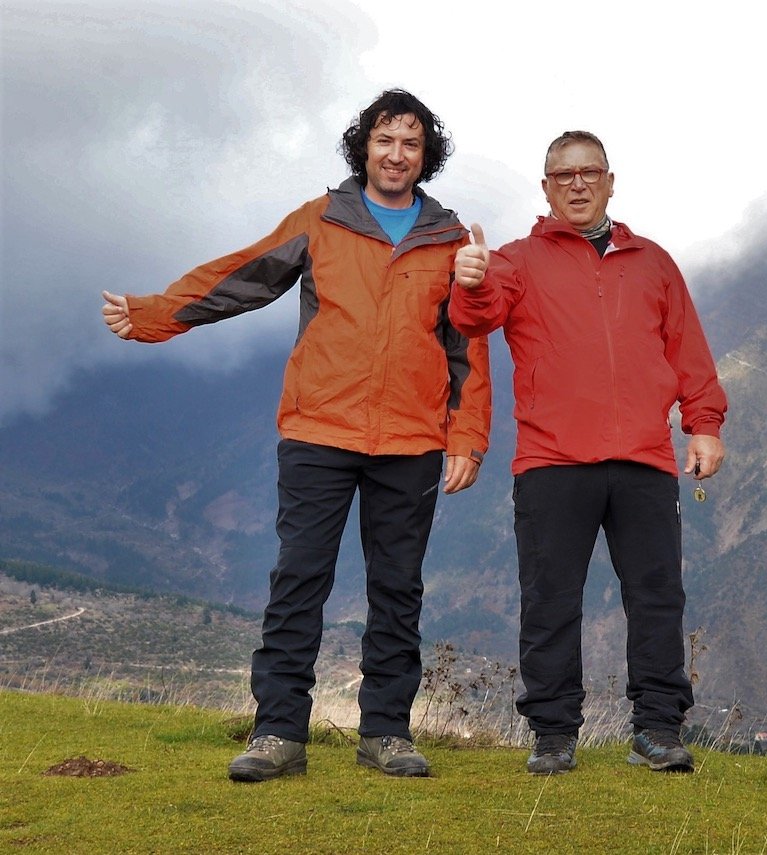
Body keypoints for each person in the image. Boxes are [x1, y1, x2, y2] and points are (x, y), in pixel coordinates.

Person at [100, 89, 491, 782]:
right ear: (363, 147)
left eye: (410, 143)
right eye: (385, 139)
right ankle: (278, 731)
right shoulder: (322, 219)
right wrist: (157, 313)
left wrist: (467, 435)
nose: (396, 153)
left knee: (398, 590)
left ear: (425, 156)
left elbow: (468, 347)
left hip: (411, 440)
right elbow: (244, 275)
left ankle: (387, 734)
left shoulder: (450, 240)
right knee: (298, 582)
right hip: (319, 430)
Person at [449, 130, 728, 775]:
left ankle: (658, 730)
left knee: (657, 597)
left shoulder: (654, 263)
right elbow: (477, 317)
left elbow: (687, 350)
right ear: (545, 187)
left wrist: (704, 423)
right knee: (550, 599)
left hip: (645, 458)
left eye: (589, 173)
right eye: (564, 175)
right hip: (552, 461)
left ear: (610, 182)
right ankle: (552, 733)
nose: (577, 183)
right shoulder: (514, 261)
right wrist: (469, 280)